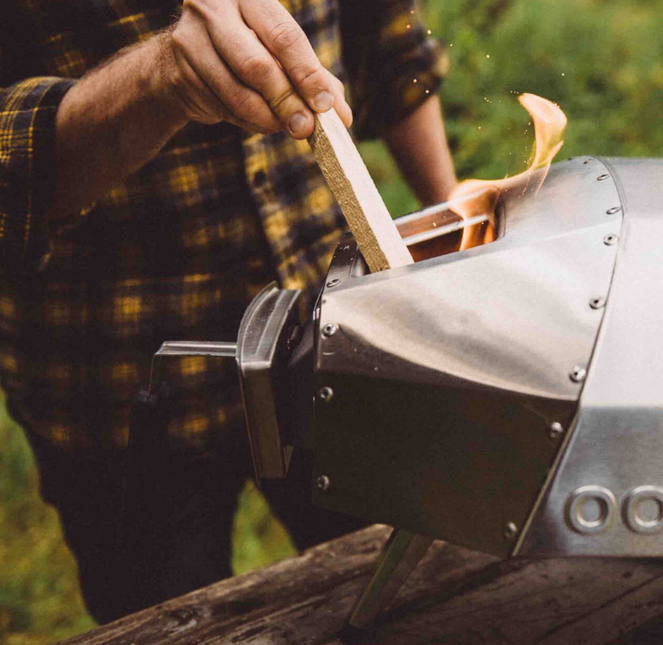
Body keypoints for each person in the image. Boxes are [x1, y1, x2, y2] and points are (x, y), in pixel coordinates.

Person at [0, 0, 456, 625]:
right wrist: (154, 79)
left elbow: (387, 40)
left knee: (416, 603)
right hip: (115, 379)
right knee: (164, 621)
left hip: (336, 337)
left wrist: (449, 216)